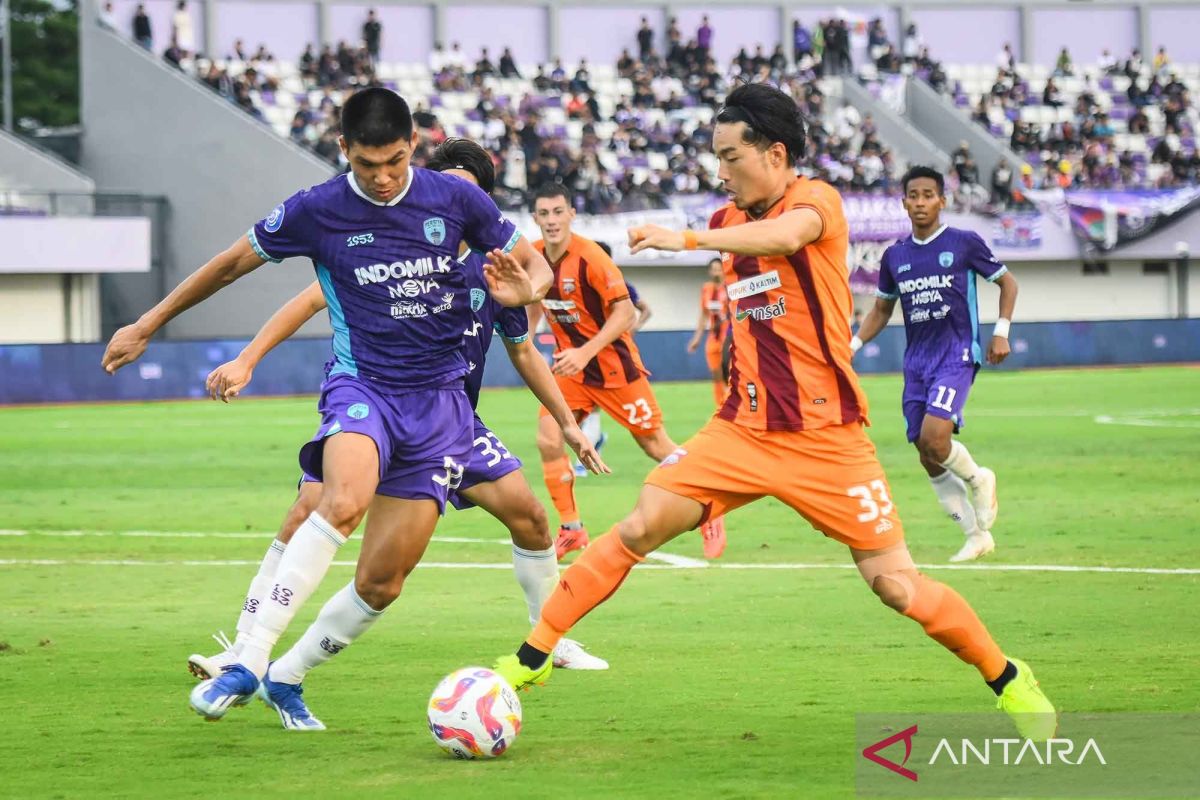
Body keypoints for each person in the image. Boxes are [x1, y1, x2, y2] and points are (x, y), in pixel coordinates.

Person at [490, 83, 1055, 744]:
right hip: (741, 432)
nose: (720, 171)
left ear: (775, 152)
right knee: (639, 525)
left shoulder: (815, 200)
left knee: (897, 587)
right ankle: (532, 658)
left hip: (827, 441)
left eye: (731, 157)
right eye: (717, 158)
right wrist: (529, 288)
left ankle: (1010, 678)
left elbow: (789, 235)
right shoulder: (731, 221)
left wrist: (683, 237)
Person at [100, 89, 556, 727]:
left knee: (382, 583)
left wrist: (526, 287)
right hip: (364, 386)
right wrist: (148, 322)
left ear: (412, 147)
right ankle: (249, 657)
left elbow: (538, 269)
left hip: (442, 409)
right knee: (341, 500)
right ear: (344, 149)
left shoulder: (456, 198)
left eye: (395, 161)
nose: (384, 176)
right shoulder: (318, 209)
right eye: (368, 164)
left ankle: (285, 677)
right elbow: (232, 263)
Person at [183, 140, 610, 727]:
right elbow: (306, 300)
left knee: (522, 524)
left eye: (462, 187)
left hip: (453, 422)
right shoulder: (384, 236)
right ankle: (246, 648)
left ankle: (547, 642)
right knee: (317, 505)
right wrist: (248, 358)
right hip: (372, 400)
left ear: (479, 198)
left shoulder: (495, 265)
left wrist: (567, 422)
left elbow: (524, 350)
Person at [528, 184, 726, 561]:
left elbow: (627, 313)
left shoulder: (591, 258)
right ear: (535, 218)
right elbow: (534, 300)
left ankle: (711, 506)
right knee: (548, 437)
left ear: (571, 214)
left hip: (615, 370)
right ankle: (571, 529)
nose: (552, 221)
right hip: (573, 372)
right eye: (544, 213)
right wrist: (529, 335)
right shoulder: (535, 256)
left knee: (654, 445)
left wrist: (585, 352)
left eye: (558, 212)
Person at [852, 166, 1019, 563]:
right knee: (926, 453)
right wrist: (852, 344)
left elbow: (1008, 283)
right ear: (904, 202)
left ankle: (980, 479)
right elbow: (881, 308)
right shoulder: (895, 255)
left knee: (936, 438)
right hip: (917, 362)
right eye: (914, 195)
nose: (921, 202)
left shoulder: (963, 243)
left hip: (956, 352)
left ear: (942, 200)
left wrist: (1001, 331)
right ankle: (975, 536)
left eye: (929, 195)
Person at [686, 257, 730, 407]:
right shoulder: (706, 288)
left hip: (728, 336)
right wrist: (697, 338)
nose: (716, 271)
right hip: (713, 336)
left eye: (719, 268)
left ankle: (732, 404)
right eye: (713, 268)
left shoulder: (731, 287)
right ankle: (720, 406)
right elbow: (704, 314)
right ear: (710, 271)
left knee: (729, 373)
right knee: (716, 373)